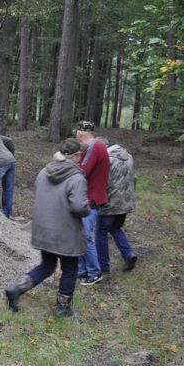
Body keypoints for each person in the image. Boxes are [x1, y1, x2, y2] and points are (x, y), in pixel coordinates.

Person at [5, 138, 90, 317]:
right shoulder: (77, 177)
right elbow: (78, 207)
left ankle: (17, 289)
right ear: (75, 156)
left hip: (43, 227)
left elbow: (39, 192)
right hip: (66, 232)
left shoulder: (45, 171)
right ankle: (62, 308)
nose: (81, 158)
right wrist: (87, 207)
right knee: (70, 269)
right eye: (80, 155)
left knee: (47, 265)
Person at [73, 121, 110, 286]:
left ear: (80, 134)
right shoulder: (97, 146)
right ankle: (82, 270)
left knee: (85, 235)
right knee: (81, 234)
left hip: (91, 198)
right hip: (92, 196)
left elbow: (82, 171)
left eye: (76, 135)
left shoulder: (94, 147)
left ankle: (94, 272)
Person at [97, 137, 137, 273]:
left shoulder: (107, 160)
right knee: (115, 227)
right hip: (126, 203)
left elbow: (103, 183)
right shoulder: (129, 157)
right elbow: (134, 179)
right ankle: (128, 254)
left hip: (110, 203)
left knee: (101, 231)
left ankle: (103, 266)